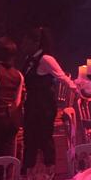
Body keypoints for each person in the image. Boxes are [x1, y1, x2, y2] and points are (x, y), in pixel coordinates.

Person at [19, 27, 76, 171]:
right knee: (30, 139)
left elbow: (63, 78)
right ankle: (29, 173)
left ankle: (50, 173)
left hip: (44, 105)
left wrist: (77, 93)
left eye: (26, 43)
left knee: (45, 138)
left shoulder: (46, 59)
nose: (23, 46)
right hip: (32, 103)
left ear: (36, 43)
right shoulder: (28, 59)